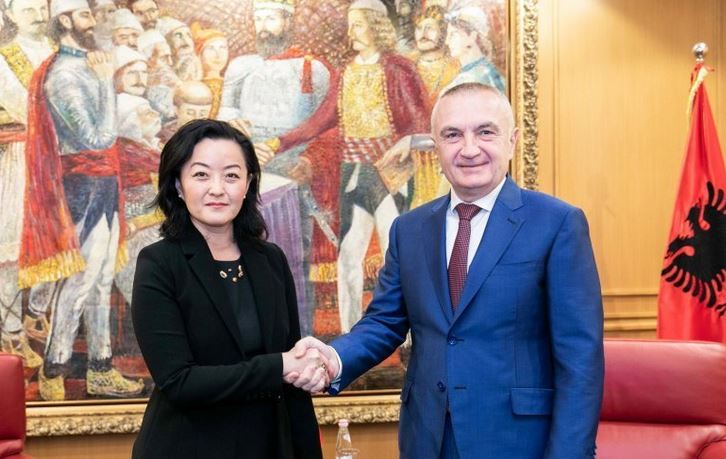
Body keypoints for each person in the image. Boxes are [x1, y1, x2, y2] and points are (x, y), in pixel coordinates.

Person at [291, 83, 604, 458]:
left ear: (512, 141)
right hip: (428, 439)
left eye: (485, 132)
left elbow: (580, 359)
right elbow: (384, 323)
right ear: (435, 146)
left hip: (518, 442)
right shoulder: (409, 229)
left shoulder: (557, 223)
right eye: (452, 135)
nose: (469, 149)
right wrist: (333, 358)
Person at [131, 119, 325, 459]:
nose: (217, 189)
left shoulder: (270, 259)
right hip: (189, 447)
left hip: (269, 445)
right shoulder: (159, 263)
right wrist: (278, 366)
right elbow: (179, 382)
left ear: (248, 184)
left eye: (232, 175)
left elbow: (292, 373)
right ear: (178, 185)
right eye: (201, 175)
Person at [269, 0, 429, 334]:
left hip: (389, 174)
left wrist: (407, 142)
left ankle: (406, 335)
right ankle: (351, 332)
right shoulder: (347, 71)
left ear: (376, 26)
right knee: (348, 255)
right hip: (353, 172)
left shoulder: (399, 68)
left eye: (357, 24)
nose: (351, 32)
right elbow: (322, 119)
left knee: (396, 254)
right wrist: (279, 142)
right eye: (350, 24)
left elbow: (420, 123)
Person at [21, 0, 143, 400]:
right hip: (82, 187)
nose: (94, 21)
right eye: (86, 14)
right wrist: (106, 83)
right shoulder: (63, 75)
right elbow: (96, 138)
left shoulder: (86, 66)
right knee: (81, 280)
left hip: (104, 184)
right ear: (66, 20)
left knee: (102, 279)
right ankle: (54, 366)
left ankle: (100, 368)